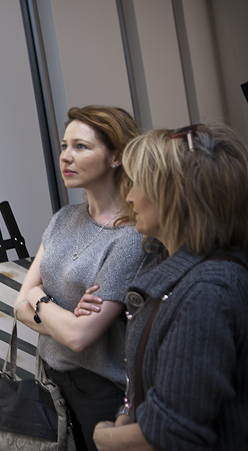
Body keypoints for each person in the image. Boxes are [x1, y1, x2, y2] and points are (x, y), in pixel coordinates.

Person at [75, 124, 248, 451]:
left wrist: (105, 437)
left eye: (138, 184)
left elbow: (172, 433)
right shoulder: (172, 270)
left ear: (173, 195)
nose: (129, 197)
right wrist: (127, 417)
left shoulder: (208, 291)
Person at [14, 105, 149, 451]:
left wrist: (39, 298)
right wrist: (65, 319)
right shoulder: (62, 219)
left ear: (115, 157)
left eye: (81, 147)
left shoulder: (130, 236)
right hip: (50, 381)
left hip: (101, 392)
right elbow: (19, 305)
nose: (66, 156)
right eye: (64, 146)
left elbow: (78, 337)